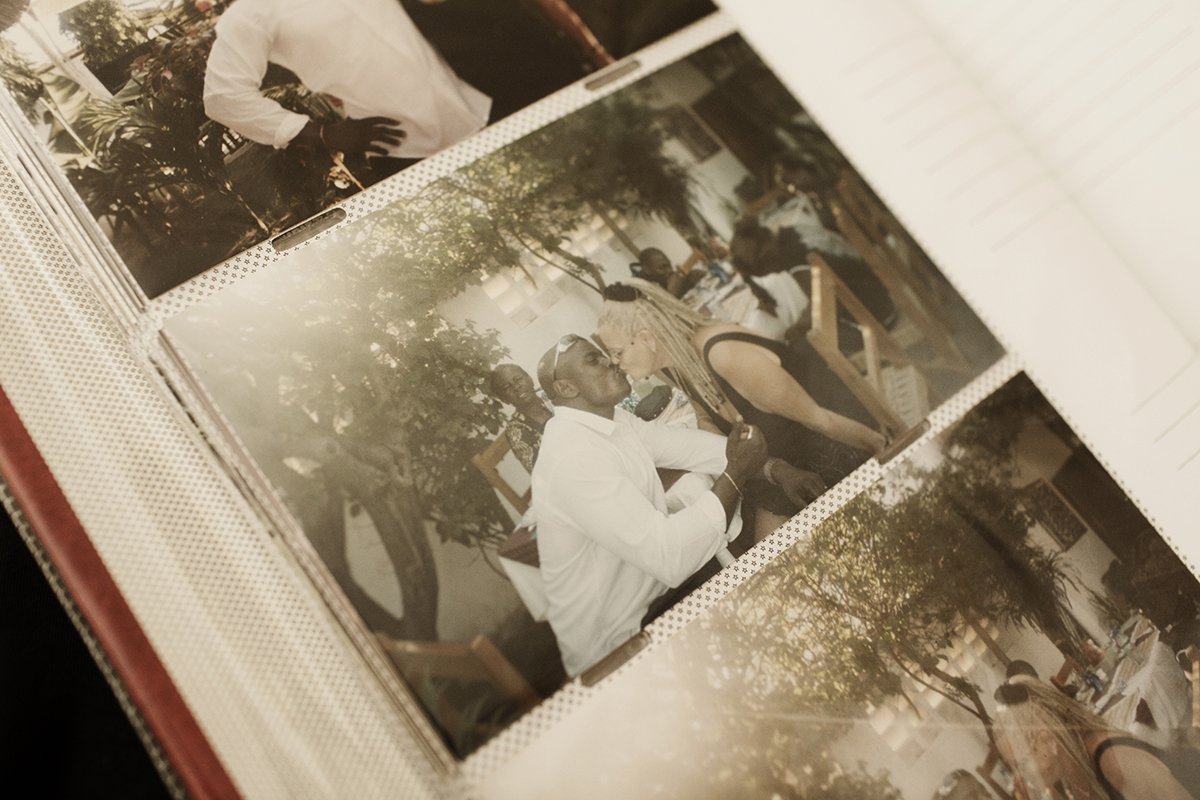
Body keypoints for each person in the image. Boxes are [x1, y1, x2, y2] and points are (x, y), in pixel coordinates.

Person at [531, 333, 768, 676]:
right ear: (566, 388)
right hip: (623, 647)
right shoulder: (573, 457)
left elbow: (688, 447)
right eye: (593, 360)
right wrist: (736, 473)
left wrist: (774, 469)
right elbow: (669, 557)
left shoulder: (610, 419)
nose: (611, 361)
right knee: (766, 626)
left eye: (603, 353)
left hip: (659, 593)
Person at [594, 280, 886, 518]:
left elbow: (821, 420)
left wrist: (886, 454)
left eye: (617, 352)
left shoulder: (724, 355)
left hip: (838, 448)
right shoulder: (673, 367)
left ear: (647, 338)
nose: (615, 362)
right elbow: (703, 414)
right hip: (791, 463)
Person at [203, 0, 491, 179]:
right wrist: (321, 134)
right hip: (406, 148)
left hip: (478, 103)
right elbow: (223, 96)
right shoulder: (249, 13)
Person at [993, 676, 1199, 800]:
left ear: (1046, 740)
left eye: (1021, 763)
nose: (1019, 775)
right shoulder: (1070, 775)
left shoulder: (1114, 760)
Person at [489, 363, 553, 473]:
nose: (516, 387)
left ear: (529, 378)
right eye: (507, 387)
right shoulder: (516, 430)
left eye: (518, 379)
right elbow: (541, 472)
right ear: (503, 399)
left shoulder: (554, 392)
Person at [631, 247, 705, 299]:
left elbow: (679, 292)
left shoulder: (662, 276)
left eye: (669, 265)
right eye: (661, 267)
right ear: (647, 270)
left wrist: (690, 281)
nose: (669, 270)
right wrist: (671, 293)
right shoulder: (637, 289)